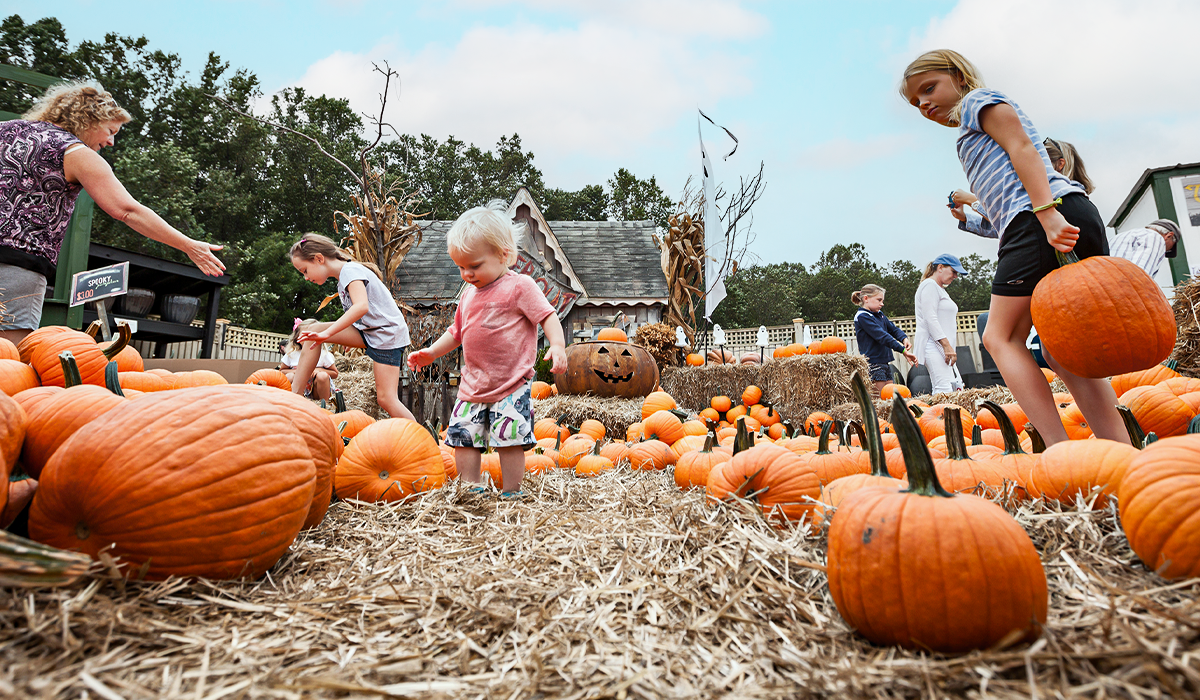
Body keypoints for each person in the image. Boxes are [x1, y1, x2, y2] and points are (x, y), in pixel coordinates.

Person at [902, 49, 1128, 446]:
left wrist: (1046, 212)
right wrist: (969, 219)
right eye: (915, 101)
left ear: (957, 74)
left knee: (1000, 338)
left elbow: (1023, 148)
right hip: (1045, 215)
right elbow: (1001, 214)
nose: (923, 103)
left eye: (928, 88)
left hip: (1041, 214)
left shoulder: (977, 101)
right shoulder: (970, 130)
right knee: (1061, 349)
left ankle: (1058, 449)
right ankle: (1120, 448)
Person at [0, 80, 224, 344]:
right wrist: (188, 245)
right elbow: (127, 211)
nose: (111, 141)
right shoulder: (73, 152)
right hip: (15, 264)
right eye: (110, 130)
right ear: (89, 120)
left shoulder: (6, 129)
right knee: (8, 358)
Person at [408, 206, 567, 494]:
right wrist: (431, 352)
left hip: (511, 381)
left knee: (509, 437)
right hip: (474, 383)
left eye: (475, 265)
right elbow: (455, 333)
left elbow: (546, 315)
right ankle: (470, 488)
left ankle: (512, 490)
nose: (467, 273)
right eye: (461, 267)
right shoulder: (468, 295)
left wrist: (557, 344)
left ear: (503, 254)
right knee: (462, 435)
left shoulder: (520, 286)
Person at [289, 234, 416, 421]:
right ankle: (294, 398)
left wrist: (328, 333)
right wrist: (344, 335)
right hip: (370, 332)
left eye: (305, 270)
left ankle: (425, 442)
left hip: (386, 335)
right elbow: (365, 312)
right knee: (312, 332)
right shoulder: (343, 276)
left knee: (386, 399)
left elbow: (361, 306)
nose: (306, 277)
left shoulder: (350, 271)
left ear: (318, 258)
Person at [951, 137, 1094, 237]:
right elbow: (1008, 228)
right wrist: (965, 218)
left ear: (1060, 164)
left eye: (1041, 160)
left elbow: (1013, 219)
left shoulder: (1065, 196)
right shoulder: (1049, 194)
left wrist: (972, 201)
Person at [850, 284, 917, 395]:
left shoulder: (879, 314)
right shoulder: (862, 316)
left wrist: (904, 338)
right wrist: (903, 351)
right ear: (866, 298)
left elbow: (893, 329)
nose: (882, 303)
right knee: (879, 400)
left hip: (884, 362)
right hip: (873, 363)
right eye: (879, 300)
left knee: (889, 397)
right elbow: (882, 336)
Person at [914, 255, 964, 393]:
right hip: (933, 344)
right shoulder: (929, 286)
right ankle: (940, 414)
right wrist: (946, 346)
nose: (955, 276)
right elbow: (930, 318)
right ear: (940, 267)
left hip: (941, 346)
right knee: (944, 389)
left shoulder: (939, 288)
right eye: (953, 271)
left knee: (950, 388)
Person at [280, 318, 339, 401]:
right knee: (289, 376)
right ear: (297, 336)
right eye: (305, 334)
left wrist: (317, 370)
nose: (308, 337)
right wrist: (298, 371)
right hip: (299, 387)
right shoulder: (292, 353)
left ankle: (325, 404)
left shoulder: (323, 354)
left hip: (316, 389)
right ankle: (290, 400)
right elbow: (282, 371)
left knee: (323, 376)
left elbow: (335, 373)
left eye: (311, 334)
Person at [1110, 218, 1180, 279]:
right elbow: (1138, 275)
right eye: (1167, 249)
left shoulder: (1119, 236)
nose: (1164, 251)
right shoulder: (1155, 237)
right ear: (1168, 236)